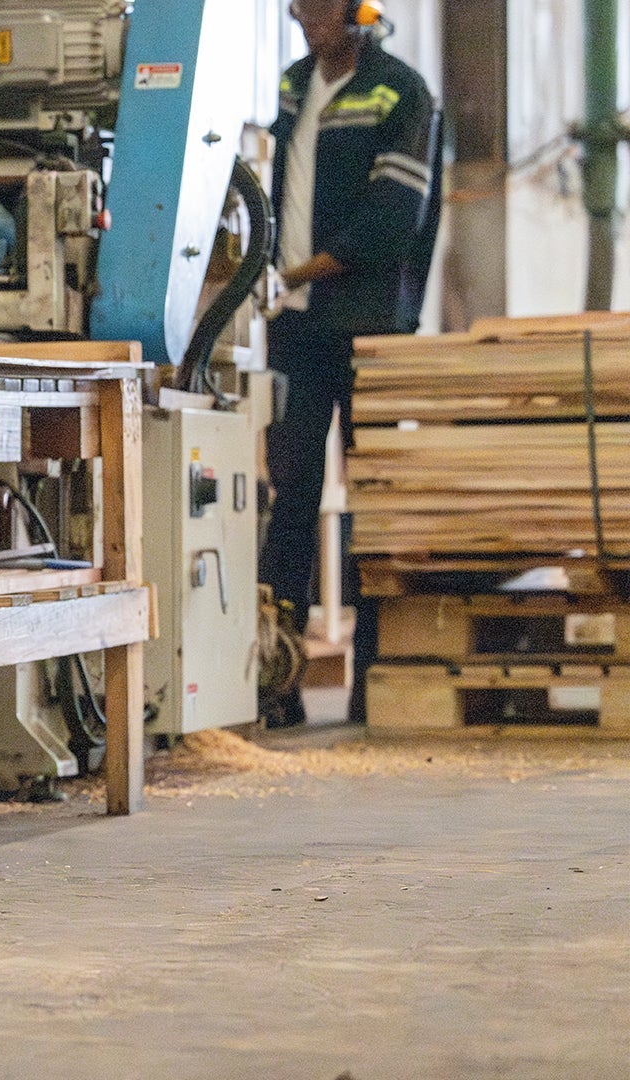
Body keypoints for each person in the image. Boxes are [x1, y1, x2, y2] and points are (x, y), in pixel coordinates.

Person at [258, 0, 438, 727]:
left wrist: (298, 272)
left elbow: (394, 219)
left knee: (373, 507)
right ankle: (280, 685)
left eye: (320, 4)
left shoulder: (400, 91)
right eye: (297, 4)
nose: (305, 16)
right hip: (296, 326)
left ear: (359, 9)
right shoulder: (293, 84)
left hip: (369, 323)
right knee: (291, 499)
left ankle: (372, 686)